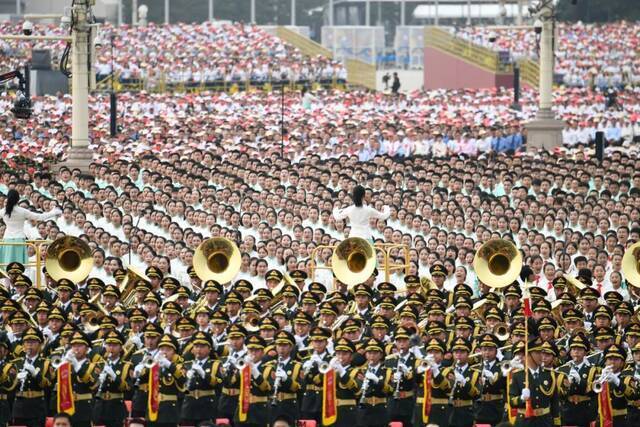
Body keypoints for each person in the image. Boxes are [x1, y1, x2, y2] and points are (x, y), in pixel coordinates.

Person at [0, 189, 60, 264]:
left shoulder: (3, 211)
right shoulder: (22, 211)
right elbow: (40, 217)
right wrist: (53, 212)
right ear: (18, 199)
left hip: (7, 239)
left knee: (7, 263)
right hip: (19, 239)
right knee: (19, 264)